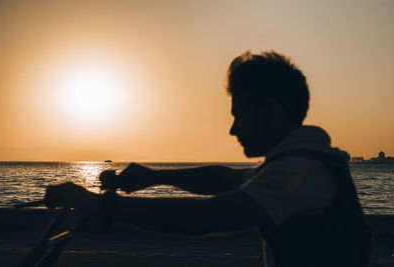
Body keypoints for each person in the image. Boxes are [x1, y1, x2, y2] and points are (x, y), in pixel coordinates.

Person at [44, 51, 371, 267]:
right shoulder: (298, 163)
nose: (232, 129)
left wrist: (96, 204)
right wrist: (155, 177)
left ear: (270, 111)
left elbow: (205, 218)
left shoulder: (299, 172)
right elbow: (224, 180)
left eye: (239, 115)